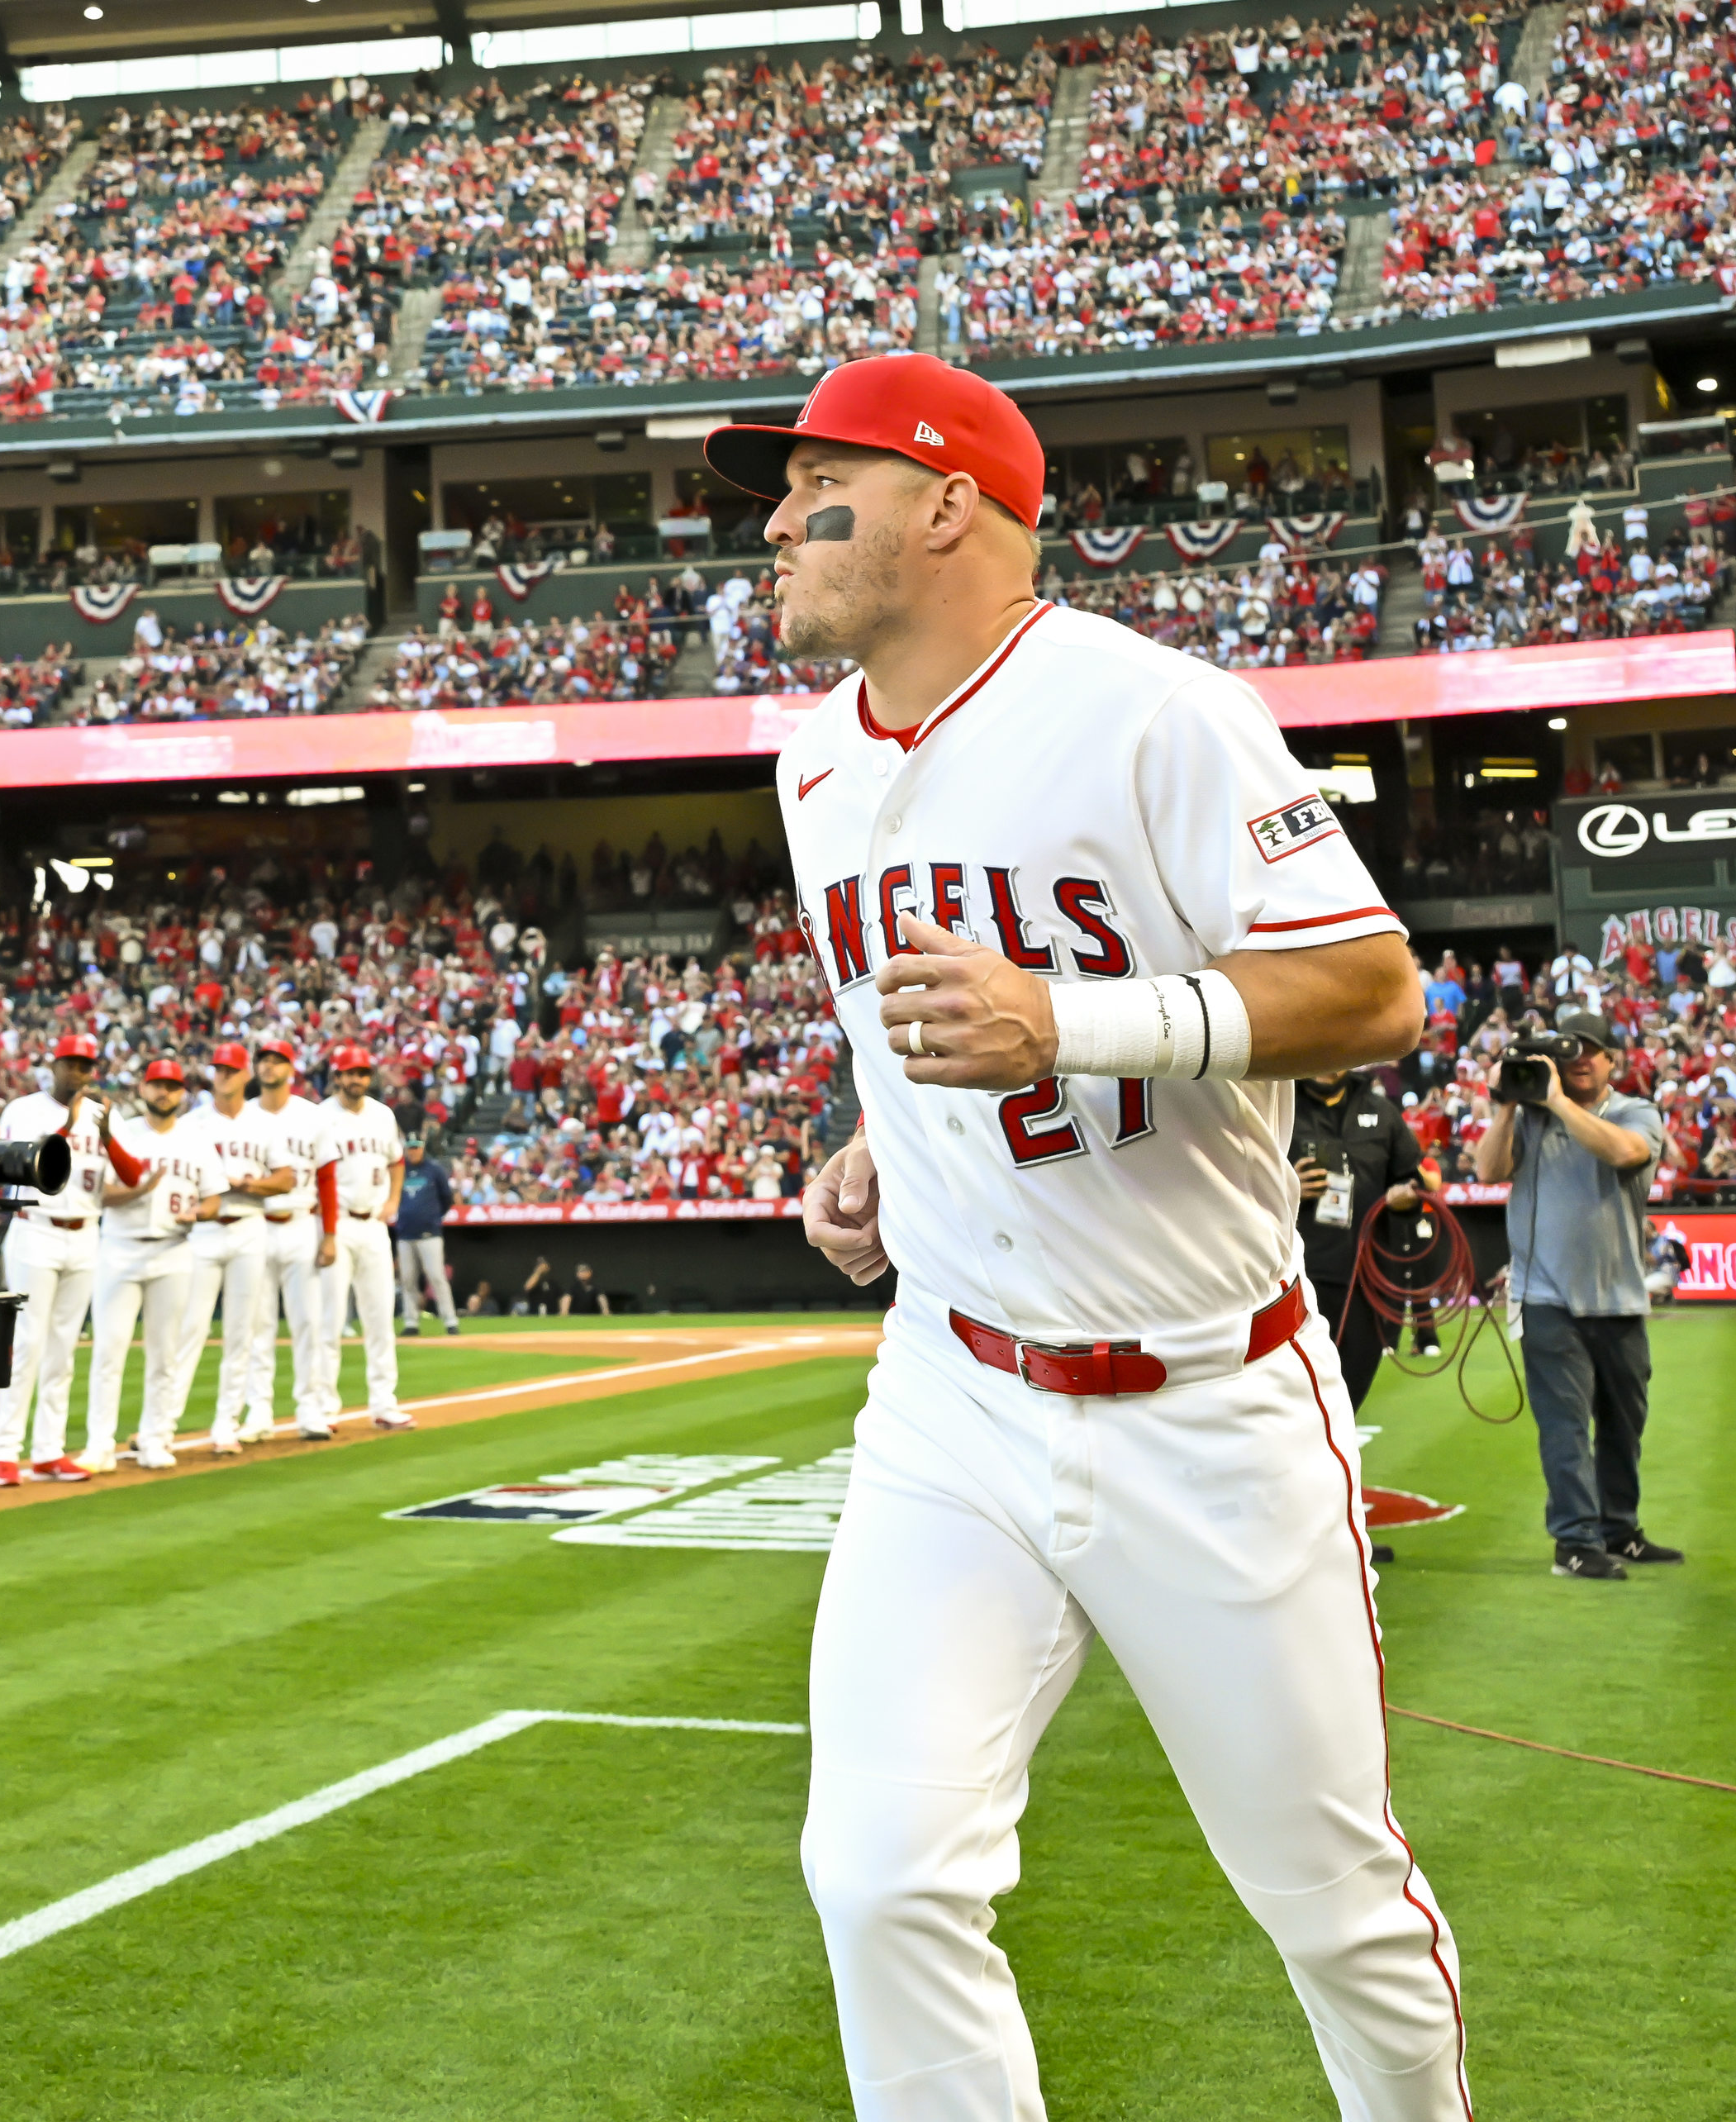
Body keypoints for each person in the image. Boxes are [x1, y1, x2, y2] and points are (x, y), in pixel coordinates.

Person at [718, 353, 1469, 2120]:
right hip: (953, 1397)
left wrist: (1073, 1026)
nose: (773, 526)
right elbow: (926, 1025)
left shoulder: (1151, 710)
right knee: (880, 1876)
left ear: (943, 505)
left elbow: (1374, 990)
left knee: (1330, 1907)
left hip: (1207, 1397)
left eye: (813, 485)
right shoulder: (812, 758)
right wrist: (881, 1151)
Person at [1472, 1011, 1671, 1580]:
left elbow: (1627, 1153)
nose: (1580, 1058)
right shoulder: (1528, 1117)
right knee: (1565, 1428)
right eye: (1570, 1050)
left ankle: (1620, 1530)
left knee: (1623, 1425)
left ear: (1613, 1060)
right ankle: (1576, 1542)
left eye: (1591, 1050)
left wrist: (1557, 1102)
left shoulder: (1635, 1111)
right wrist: (1509, 1101)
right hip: (1546, 1297)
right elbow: (1487, 1169)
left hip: (1621, 1296)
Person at [85, 1057, 221, 1470]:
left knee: (166, 1354)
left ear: (183, 1093)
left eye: (172, 1086)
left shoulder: (197, 1139)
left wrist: (198, 1215)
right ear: (143, 1089)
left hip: (173, 1250)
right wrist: (139, 1190)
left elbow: (215, 1198)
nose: (163, 1092)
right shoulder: (120, 1134)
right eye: (156, 1084)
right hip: (119, 1247)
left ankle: (157, 1438)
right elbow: (100, 1195)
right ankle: (99, 1444)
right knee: (109, 1350)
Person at [0, 1031, 108, 1483]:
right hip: (35, 1229)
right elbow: (33, 1163)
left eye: (85, 1064)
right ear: (53, 1066)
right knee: (26, 1345)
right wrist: (74, 1120)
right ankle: (3, 1452)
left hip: (85, 1233)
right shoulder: (24, 1110)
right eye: (69, 1062)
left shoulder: (103, 1116)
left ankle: (48, 1449)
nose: (77, 1072)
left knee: (62, 1349)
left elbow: (113, 1175)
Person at [1291, 1066, 1429, 1409]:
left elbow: (1414, 1180)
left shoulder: (1382, 1111)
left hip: (1366, 1279)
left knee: (1350, 1394)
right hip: (1294, 1281)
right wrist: (1286, 1186)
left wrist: (1407, 1196)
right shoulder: (1278, 1106)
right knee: (1296, 1398)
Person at [181, 1042, 290, 1456]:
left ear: (246, 1075)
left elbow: (286, 1179)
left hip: (248, 1227)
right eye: (218, 1068)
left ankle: (226, 1423)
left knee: (241, 1332)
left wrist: (249, 1186)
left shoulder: (264, 1124)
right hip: (204, 1231)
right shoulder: (192, 1123)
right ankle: (162, 1424)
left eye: (230, 1069)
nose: (223, 1075)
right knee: (188, 1329)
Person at [241, 1040, 344, 1443]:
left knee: (308, 1323)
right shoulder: (244, 1116)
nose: (269, 1067)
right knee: (257, 1324)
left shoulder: (312, 1116)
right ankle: (258, 1411)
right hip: (255, 1223)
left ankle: (312, 1409)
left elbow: (328, 1179)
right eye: (263, 1060)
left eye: (277, 1060)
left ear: (291, 1067)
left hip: (302, 1222)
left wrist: (331, 1234)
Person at [321, 1044, 411, 1430]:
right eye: (348, 1073)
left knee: (379, 1319)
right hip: (335, 1222)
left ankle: (384, 1403)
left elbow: (397, 1160)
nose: (355, 1079)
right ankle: (323, 1407)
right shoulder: (320, 1117)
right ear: (337, 1076)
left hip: (373, 1223)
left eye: (361, 1073)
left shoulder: (383, 1114)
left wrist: (393, 1198)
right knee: (330, 1319)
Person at [389, 1130, 461, 1335]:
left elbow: (446, 1198)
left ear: (422, 1148)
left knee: (437, 1276)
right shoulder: (400, 1169)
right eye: (410, 1147)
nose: (413, 1151)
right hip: (405, 1233)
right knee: (408, 1279)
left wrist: (433, 1217)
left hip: (429, 1233)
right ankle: (411, 1322)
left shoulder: (434, 1170)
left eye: (416, 1147)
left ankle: (450, 1320)